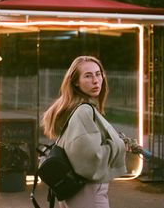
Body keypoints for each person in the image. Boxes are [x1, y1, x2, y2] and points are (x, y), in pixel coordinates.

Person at [42, 56, 127, 208]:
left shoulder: (77, 108)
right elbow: (92, 157)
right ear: (75, 82)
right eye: (88, 76)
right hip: (88, 193)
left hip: (78, 192)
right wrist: (119, 145)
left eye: (98, 74)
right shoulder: (84, 111)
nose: (96, 80)